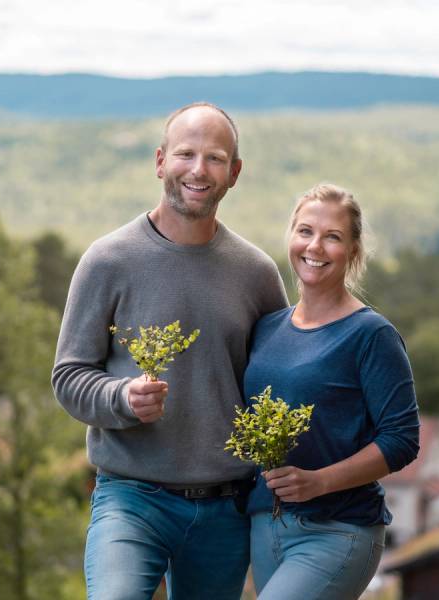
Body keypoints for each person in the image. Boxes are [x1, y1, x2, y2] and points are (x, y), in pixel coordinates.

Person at [51, 102, 288, 600]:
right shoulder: (107, 261)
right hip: (131, 497)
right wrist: (121, 397)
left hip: (226, 507)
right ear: (160, 161)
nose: (198, 170)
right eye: (186, 154)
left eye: (215, 158)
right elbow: (69, 377)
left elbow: (280, 384)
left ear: (235, 173)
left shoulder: (257, 274)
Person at [243, 183, 420, 599]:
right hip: (266, 525)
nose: (315, 246)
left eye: (333, 236)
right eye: (305, 231)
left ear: (354, 251)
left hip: (338, 529)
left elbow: (402, 440)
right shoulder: (268, 328)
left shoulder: (371, 335)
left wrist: (319, 482)